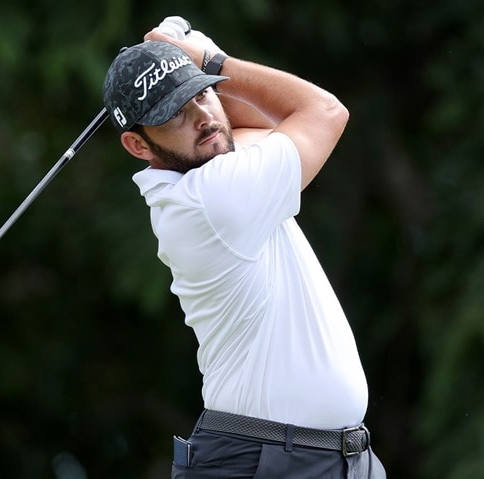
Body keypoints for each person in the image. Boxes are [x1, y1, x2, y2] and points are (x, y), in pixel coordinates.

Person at [102, 19, 386, 479]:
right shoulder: (211, 199)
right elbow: (324, 112)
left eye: (202, 94)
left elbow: (257, 125)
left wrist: (196, 71)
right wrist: (213, 60)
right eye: (174, 114)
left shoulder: (207, 172)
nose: (203, 118)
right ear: (138, 144)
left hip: (327, 457)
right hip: (266, 459)